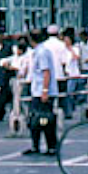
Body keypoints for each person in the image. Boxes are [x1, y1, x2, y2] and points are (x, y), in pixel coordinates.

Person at [24, 28, 59, 156]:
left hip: (42, 91)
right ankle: (35, 145)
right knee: (35, 120)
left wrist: (45, 91)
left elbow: (46, 72)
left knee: (45, 120)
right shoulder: (38, 51)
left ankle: (51, 146)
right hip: (37, 90)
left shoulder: (42, 52)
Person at [61, 29, 81, 119]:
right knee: (66, 94)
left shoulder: (75, 48)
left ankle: (70, 110)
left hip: (73, 74)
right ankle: (67, 110)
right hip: (65, 74)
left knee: (70, 93)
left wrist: (71, 49)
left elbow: (76, 57)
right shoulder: (62, 50)